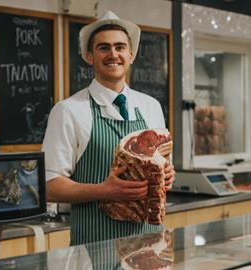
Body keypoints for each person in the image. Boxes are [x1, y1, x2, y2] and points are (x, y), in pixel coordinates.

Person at [42, 10, 175, 246]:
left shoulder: (151, 106)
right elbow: (49, 185)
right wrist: (104, 190)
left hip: (150, 243)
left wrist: (167, 175)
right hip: (96, 246)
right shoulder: (69, 111)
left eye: (120, 47)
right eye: (104, 48)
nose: (113, 54)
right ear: (89, 56)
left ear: (131, 54)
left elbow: (162, 164)